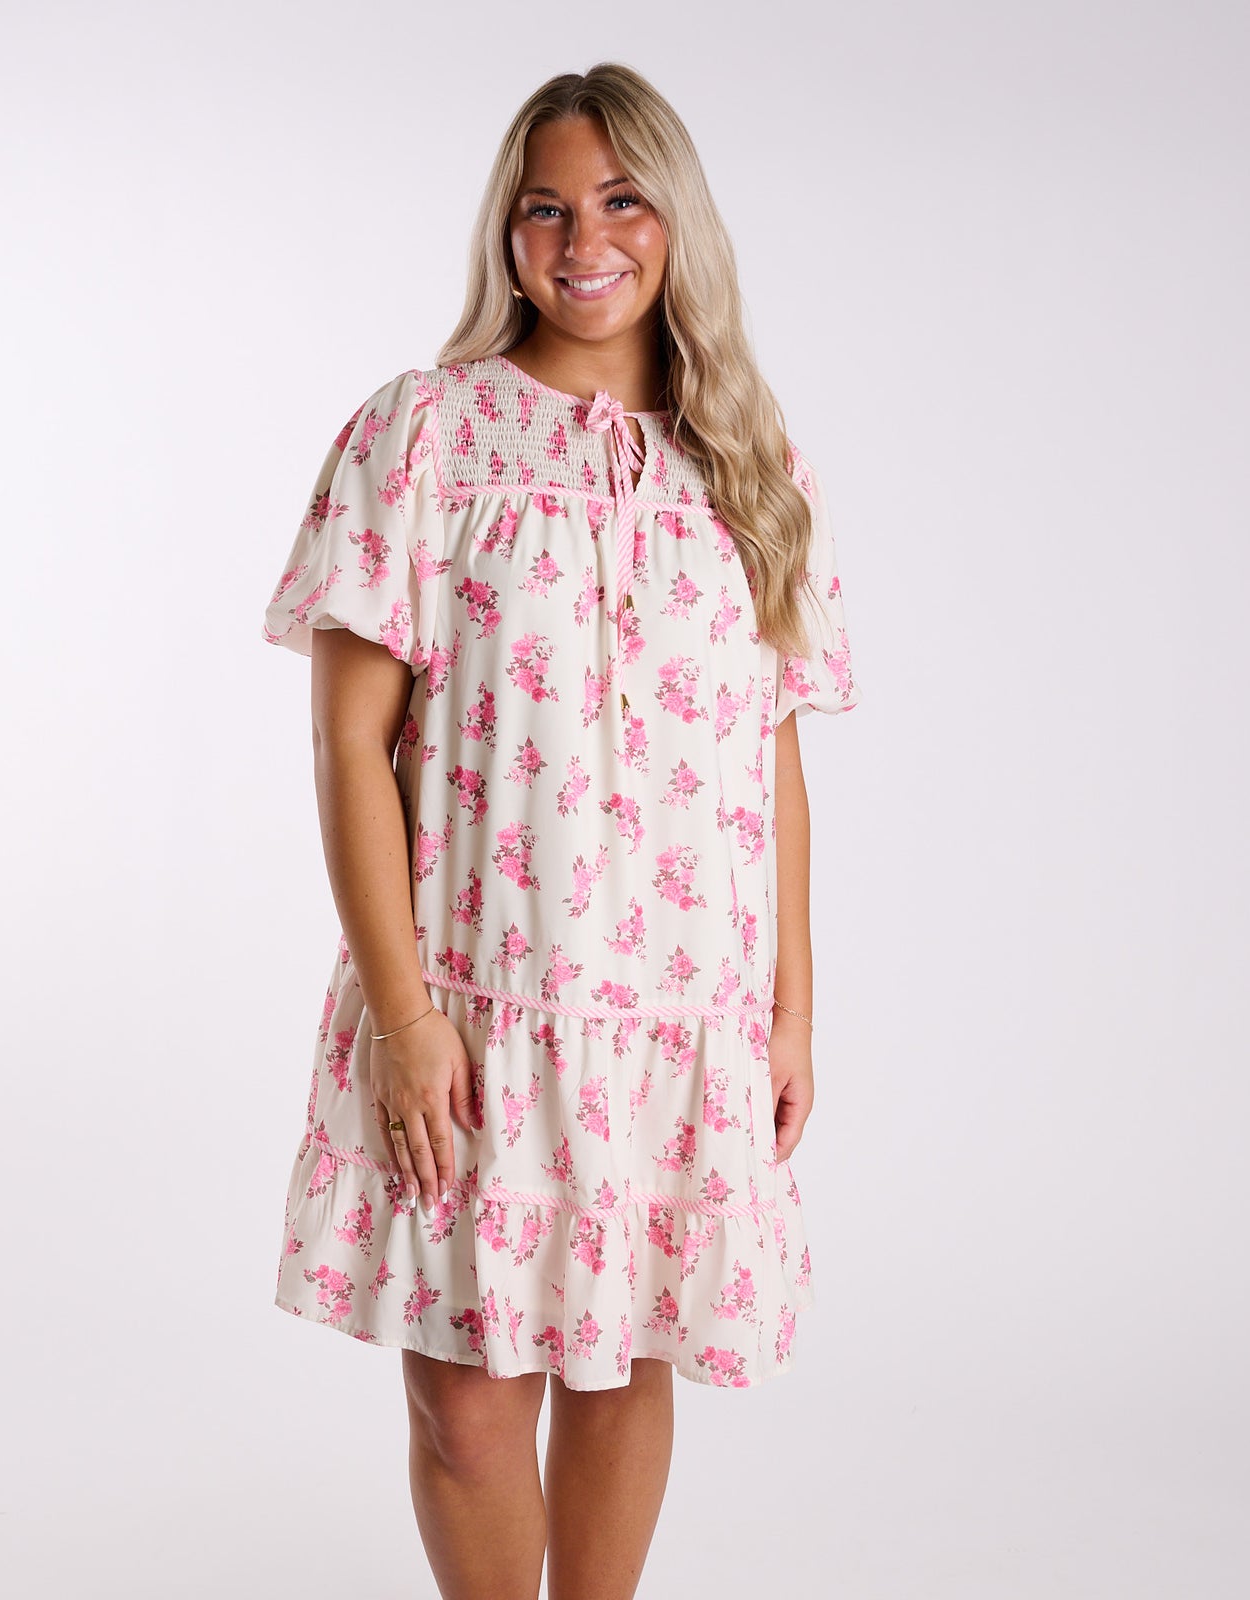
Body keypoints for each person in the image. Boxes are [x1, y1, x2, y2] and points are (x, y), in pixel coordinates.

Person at [260, 60, 861, 1600]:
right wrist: (402, 1017)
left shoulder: (746, 463)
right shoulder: (426, 435)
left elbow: (772, 750)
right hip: (472, 1002)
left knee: (618, 1355)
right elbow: (346, 741)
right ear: (504, 234)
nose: (582, 239)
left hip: (674, 1005)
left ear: (676, 221)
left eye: (618, 200)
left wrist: (792, 1002)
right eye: (544, 208)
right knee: (466, 1406)